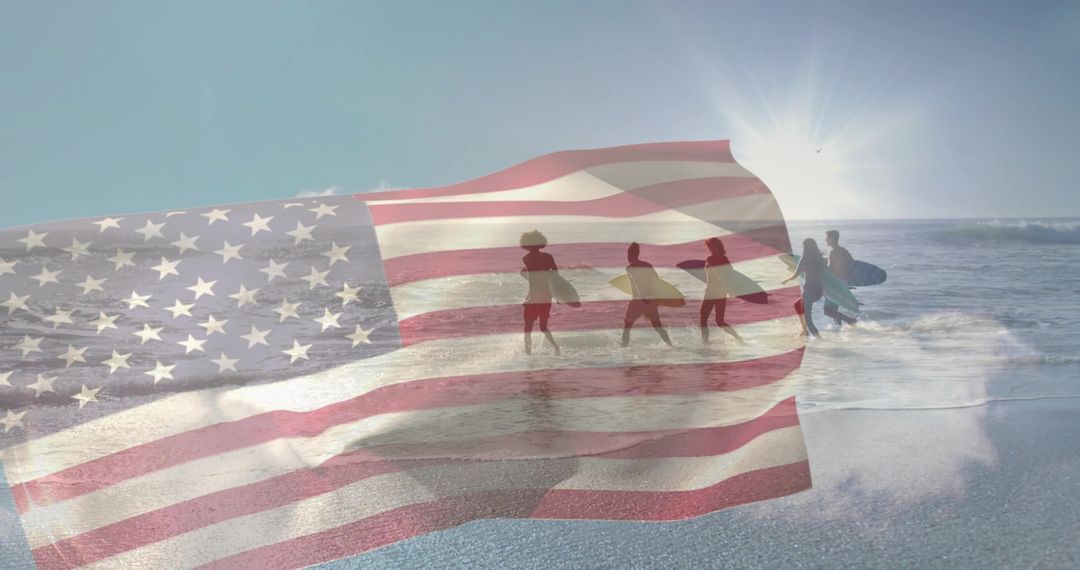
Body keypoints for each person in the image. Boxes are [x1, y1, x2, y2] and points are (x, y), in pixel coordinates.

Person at [621, 242, 674, 348]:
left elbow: (635, 284)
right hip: (650, 301)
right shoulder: (648, 265)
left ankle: (623, 349)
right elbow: (657, 281)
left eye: (628, 255)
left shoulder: (629, 268)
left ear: (630, 255)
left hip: (637, 301)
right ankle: (671, 346)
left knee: (627, 327)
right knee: (658, 327)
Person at [520, 230, 561, 355]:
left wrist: (524, 273)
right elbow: (555, 276)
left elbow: (530, 274)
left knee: (528, 329)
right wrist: (558, 294)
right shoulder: (548, 257)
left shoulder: (526, 259)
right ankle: (556, 347)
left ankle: (528, 355)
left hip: (533, 297)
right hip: (546, 296)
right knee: (543, 327)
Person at [699, 237, 744, 344]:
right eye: (708, 246)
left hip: (715, 292)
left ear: (717, 246)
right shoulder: (718, 259)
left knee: (710, 320)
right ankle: (737, 338)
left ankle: (707, 342)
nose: (709, 248)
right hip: (717, 292)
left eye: (711, 246)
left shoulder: (717, 259)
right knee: (712, 320)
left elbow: (725, 275)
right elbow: (727, 274)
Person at [782, 238, 825, 338]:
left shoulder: (804, 258)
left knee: (808, 320)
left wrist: (786, 280)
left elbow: (796, 274)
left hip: (809, 292)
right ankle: (804, 331)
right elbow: (823, 274)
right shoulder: (820, 258)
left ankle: (821, 341)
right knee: (797, 305)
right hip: (819, 292)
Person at [823, 229, 858, 326]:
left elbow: (829, 270)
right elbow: (853, 266)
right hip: (843, 283)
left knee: (828, 311)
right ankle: (838, 331)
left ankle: (850, 321)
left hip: (835, 284)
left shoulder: (833, 252)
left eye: (827, 237)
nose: (825, 240)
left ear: (832, 238)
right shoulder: (844, 251)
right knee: (834, 311)